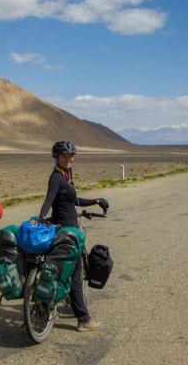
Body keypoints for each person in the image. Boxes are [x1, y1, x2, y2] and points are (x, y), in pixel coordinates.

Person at [36, 140, 109, 332]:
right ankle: (83, 319)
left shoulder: (65, 176)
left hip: (68, 228)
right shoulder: (56, 178)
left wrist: (96, 200)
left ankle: (50, 303)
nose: (69, 159)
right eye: (65, 156)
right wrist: (41, 216)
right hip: (67, 233)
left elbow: (73, 200)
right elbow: (49, 200)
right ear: (57, 158)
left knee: (64, 272)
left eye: (71, 156)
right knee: (76, 275)